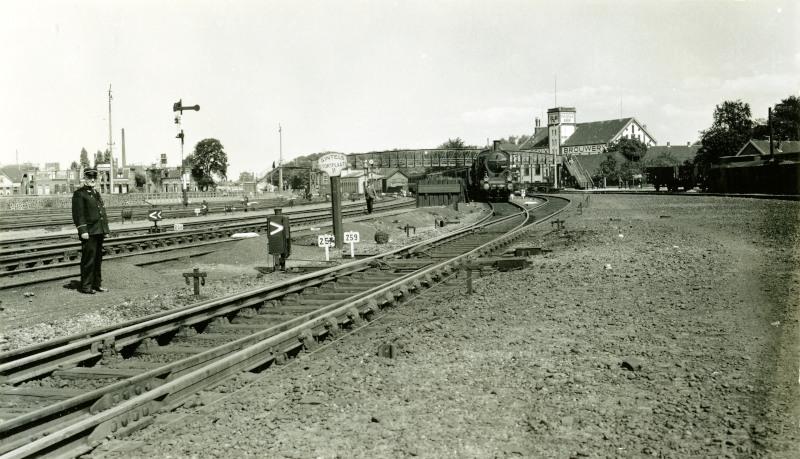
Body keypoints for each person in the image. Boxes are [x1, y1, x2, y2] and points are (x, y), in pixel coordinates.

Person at [71, 168, 110, 294]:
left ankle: (97, 284)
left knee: (98, 259)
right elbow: (78, 214)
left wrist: (105, 229)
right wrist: (83, 230)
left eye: (94, 177)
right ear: (84, 178)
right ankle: (86, 286)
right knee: (89, 260)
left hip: (98, 231)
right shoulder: (79, 194)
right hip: (89, 232)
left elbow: (101, 212)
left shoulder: (95, 192)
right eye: (89, 177)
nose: (92, 179)